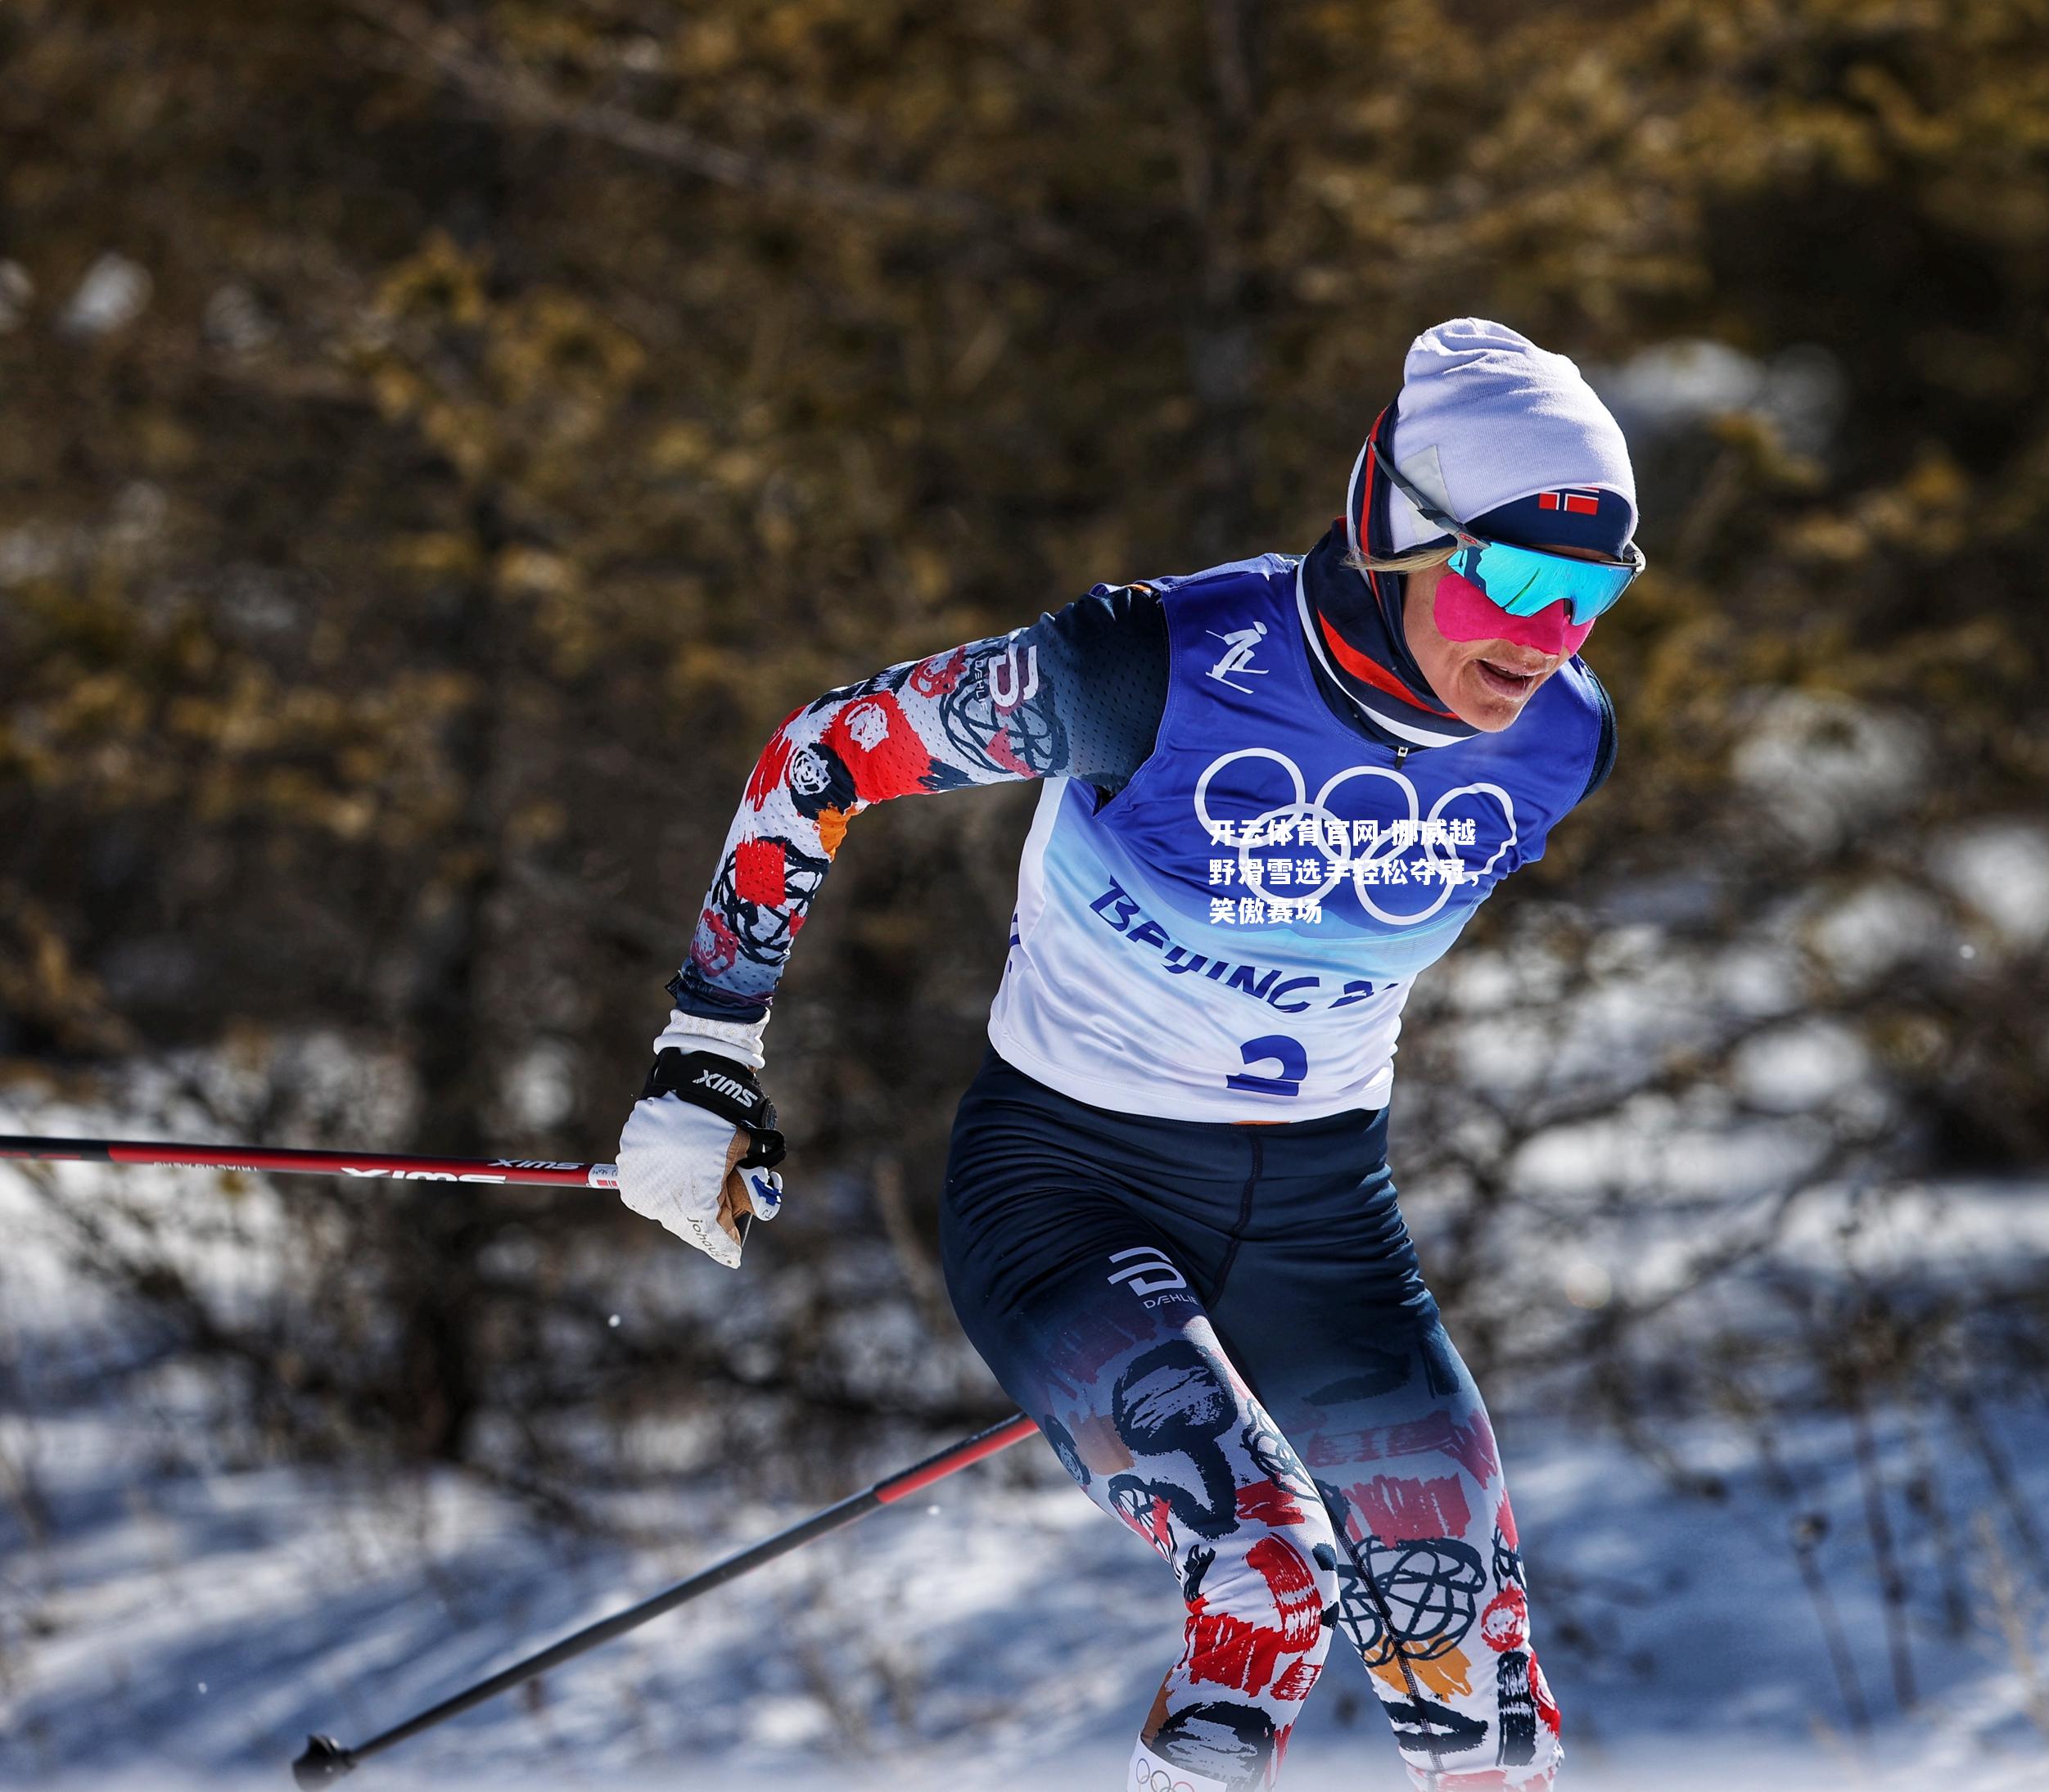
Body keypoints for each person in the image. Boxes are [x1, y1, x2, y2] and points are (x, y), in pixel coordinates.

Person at [615, 318, 1641, 1792]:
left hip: (1321, 1220)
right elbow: (833, 750)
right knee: (1268, 1572)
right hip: (1067, 1184)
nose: (1546, 642)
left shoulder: (1563, 744)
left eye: (1590, 594)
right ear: (1398, 531)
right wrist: (707, 1051)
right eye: (1521, 577)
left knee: (1471, 1670)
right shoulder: (1146, 666)